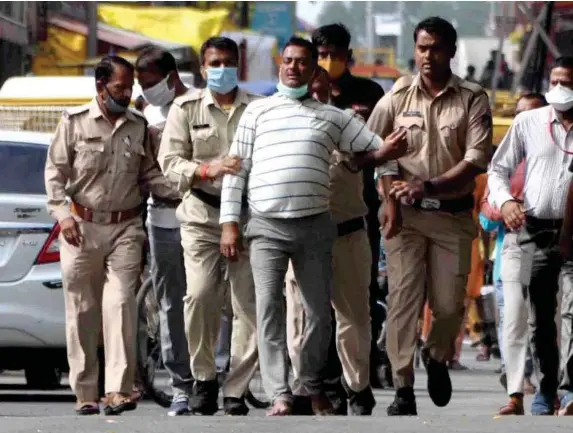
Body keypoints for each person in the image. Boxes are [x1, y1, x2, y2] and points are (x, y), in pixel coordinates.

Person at [218, 36, 408, 416]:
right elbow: (235, 173)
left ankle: (308, 382)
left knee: (320, 313)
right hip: (267, 227)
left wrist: (388, 152)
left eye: (302, 62)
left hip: (316, 227)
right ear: (279, 65)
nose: (294, 67)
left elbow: (371, 150)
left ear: (312, 69)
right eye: (288, 61)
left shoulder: (335, 117)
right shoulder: (256, 113)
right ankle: (279, 394)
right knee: (269, 310)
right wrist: (229, 224)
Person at [369, 17, 493, 416]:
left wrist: (430, 186)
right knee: (403, 301)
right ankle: (403, 385)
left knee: (449, 307)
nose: (427, 55)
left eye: (436, 47)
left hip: (452, 216)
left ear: (451, 51)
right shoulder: (396, 96)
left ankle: (437, 355)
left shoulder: (472, 97)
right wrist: (389, 195)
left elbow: (476, 158)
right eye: (422, 47)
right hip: (404, 219)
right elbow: (374, 150)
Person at [44, 55, 179, 416]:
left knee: (120, 304)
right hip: (81, 229)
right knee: (83, 312)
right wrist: (62, 216)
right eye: (120, 87)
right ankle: (86, 393)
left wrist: (189, 187)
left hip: (126, 228)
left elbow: (150, 173)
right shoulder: (72, 123)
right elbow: (55, 176)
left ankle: (118, 390)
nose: (127, 92)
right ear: (100, 87)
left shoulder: (138, 126)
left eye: (130, 85)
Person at [157, 37, 260, 416]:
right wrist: (205, 170)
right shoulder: (184, 109)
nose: (221, 69)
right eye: (214, 62)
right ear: (203, 69)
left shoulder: (258, 110)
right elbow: (169, 162)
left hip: (249, 219)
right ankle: (204, 378)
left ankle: (236, 388)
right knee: (200, 296)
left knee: (248, 305)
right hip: (201, 217)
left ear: (239, 66)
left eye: (229, 62)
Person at [284, 66, 376, 416]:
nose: (314, 95)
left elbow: (370, 154)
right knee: (300, 316)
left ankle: (357, 388)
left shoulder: (348, 124)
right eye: (308, 89)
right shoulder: (279, 123)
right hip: (300, 235)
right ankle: (306, 387)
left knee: (353, 317)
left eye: (320, 89)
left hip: (347, 233)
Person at [489, 56, 573, 416]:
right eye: (554, 80)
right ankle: (544, 389)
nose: (559, 88)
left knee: (571, 314)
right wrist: (506, 201)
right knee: (536, 317)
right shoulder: (528, 122)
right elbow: (497, 170)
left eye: (566, 81)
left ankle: (569, 393)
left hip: (572, 234)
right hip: (532, 231)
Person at [311, 23, 387, 406]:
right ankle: (323, 381)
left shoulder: (369, 94)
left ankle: (358, 375)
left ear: (348, 57)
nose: (329, 62)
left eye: (336, 55)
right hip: (310, 212)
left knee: (359, 298)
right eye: (322, 54)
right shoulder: (300, 97)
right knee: (315, 302)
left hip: (360, 209)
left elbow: (383, 150)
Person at [134, 47, 194, 416]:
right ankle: (180, 384)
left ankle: (215, 374)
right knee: (170, 303)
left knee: (209, 299)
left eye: (150, 83)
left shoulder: (197, 105)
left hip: (202, 217)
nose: (144, 89)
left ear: (171, 78)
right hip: (162, 219)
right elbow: (144, 169)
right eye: (141, 83)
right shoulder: (143, 111)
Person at [480, 93, 546, 415]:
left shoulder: (556, 149)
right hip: (512, 246)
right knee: (514, 318)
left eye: (531, 114)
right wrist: (505, 208)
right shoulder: (505, 163)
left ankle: (553, 389)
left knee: (550, 319)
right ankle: (516, 391)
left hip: (554, 243)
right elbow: (484, 208)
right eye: (519, 115)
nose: (524, 122)